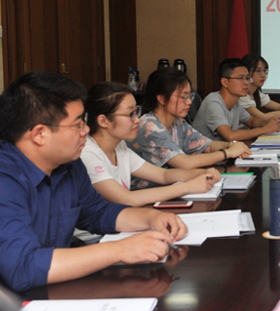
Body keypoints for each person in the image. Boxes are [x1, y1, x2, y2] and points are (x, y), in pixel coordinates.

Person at [0, 72, 188, 292]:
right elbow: (22, 267)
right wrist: (120, 250)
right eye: (77, 124)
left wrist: (151, 217)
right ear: (39, 134)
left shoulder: (70, 165)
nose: (86, 130)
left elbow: (98, 213)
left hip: (53, 291)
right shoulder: (5, 180)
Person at [80, 82, 222, 205]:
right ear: (103, 121)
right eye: (130, 114)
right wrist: (187, 187)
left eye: (136, 112)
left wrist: (202, 173)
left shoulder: (119, 146)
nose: (137, 119)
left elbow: (163, 175)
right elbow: (127, 199)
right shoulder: (87, 153)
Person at [127, 68, 252, 181]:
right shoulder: (150, 126)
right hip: (147, 192)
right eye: (183, 97)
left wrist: (232, 145)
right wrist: (227, 153)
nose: (189, 102)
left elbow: (208, 145)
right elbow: (185, 163)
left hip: (172, 186)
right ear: (162, 99)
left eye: (190, 96)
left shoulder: (178, 123)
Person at [192, 58, 280, 142]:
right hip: (204, 152)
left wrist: (270, 121)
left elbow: (252, 121)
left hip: (224, 149)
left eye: (247, 78)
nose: (246, 82)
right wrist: (265, 129)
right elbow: (230, 136)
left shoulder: (235, 103)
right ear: (225, 82)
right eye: (240, 78)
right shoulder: (213, 103)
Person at [239, 53, 280, 121]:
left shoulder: (256, 93)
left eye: (265, 71)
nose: (263, 75)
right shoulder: (241, 95)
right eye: (258, 71)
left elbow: (279, 107)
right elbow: (262, 117)